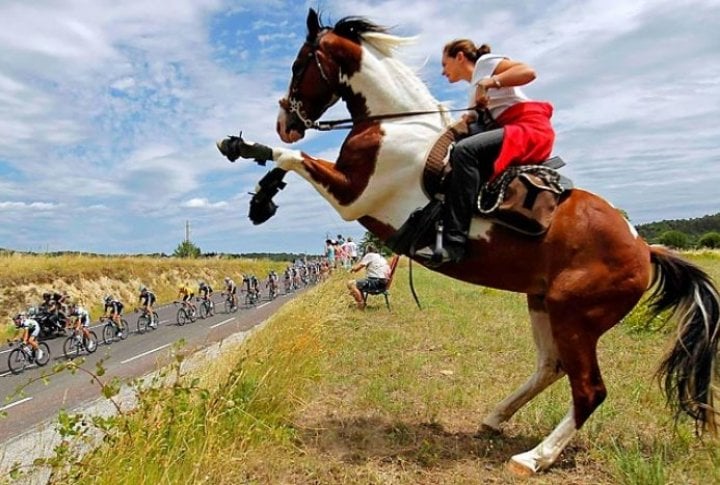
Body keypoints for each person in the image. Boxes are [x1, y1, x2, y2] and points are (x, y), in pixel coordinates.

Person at [416, 39, 555, 264]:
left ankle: (454, 244)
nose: (442, 72)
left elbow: (528, 72)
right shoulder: (472, 94)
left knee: (465, 152)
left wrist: (490, 81)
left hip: (528, 128)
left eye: (444, 64)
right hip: (511, 130)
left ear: (460, 56)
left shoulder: (484, 64)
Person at [347, 244, 391, 310]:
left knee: (351, 283)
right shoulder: (381, 257)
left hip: (376, 283)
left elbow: (357, 268)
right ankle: (362, 303)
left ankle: (361, 306)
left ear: (367, 251)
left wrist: (352, 269)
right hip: (383, 284)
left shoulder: (369, 255)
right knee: (359, 284)